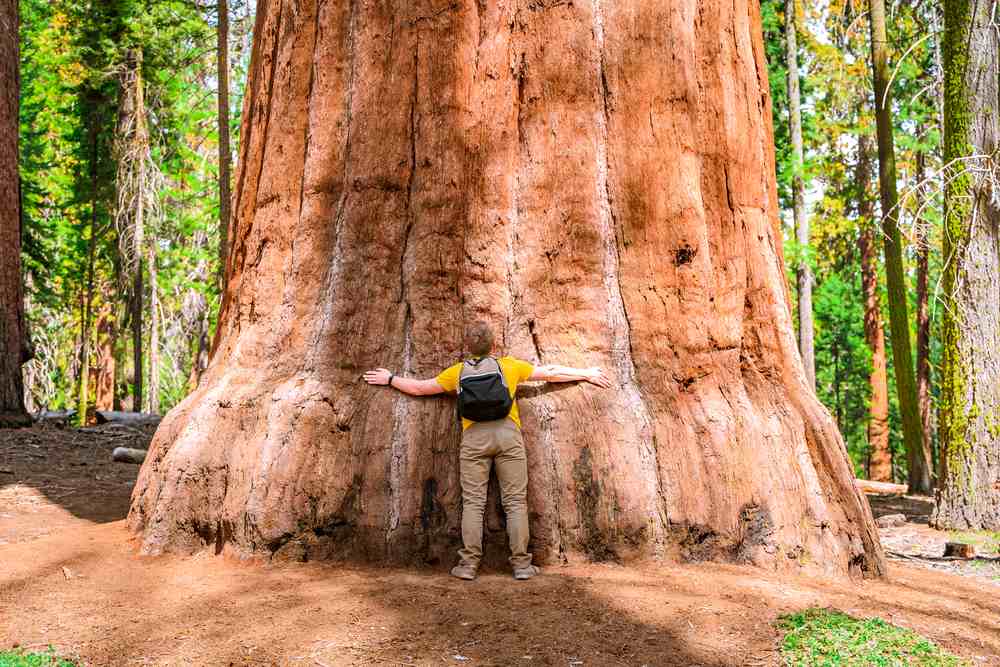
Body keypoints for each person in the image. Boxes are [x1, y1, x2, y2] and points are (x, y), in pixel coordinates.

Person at [363, 321, 611, 580]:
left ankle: (468, 564)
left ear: (468, 348)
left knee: (473, 503)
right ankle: (522, 565)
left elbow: (419, 388)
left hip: (474, 439)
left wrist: (390, 379)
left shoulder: (457, 372)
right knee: (515, 502)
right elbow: (549, 372)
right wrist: (585, 373)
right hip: (507, 436)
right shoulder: (509, 366)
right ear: (493, 345)